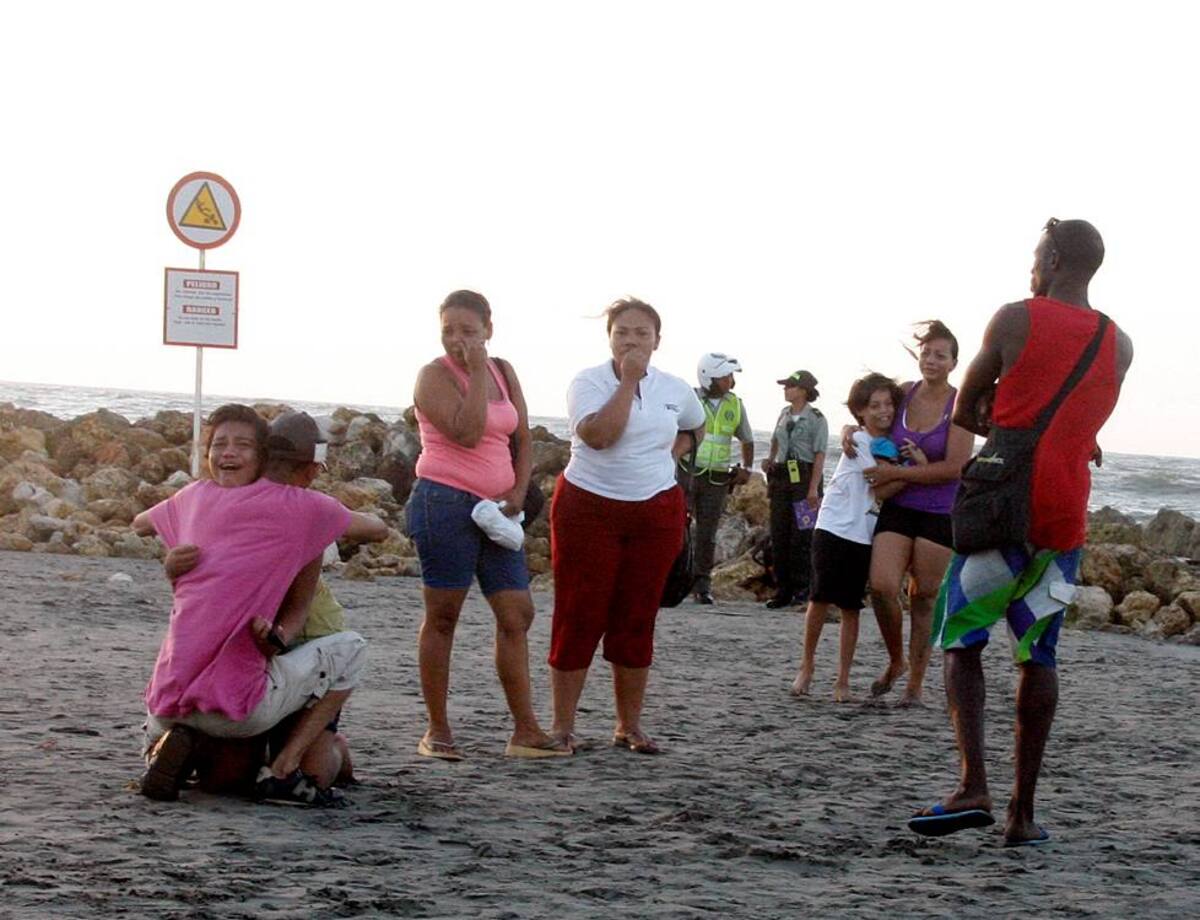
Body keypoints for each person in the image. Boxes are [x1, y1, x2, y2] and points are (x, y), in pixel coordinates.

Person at [909, 218, 1133, 846]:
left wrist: (1007, 426)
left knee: (963, 637)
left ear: (1054, 259)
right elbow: (1081, 426)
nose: (1032, 268)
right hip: (1063, 523)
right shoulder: (1119, 344)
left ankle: (971, 783)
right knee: (1039, 653)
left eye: (1037, 256)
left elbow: (966, 407)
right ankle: (1022, 814)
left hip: (1001, 515)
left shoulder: (1016, 318)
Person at [133, 404, 388, 806]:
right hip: (248, 694)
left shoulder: (195, 495)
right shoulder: (305, 511)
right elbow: (377, 528)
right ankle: (283, 771)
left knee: (224, 770)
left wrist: (177, 546)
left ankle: (157, 748)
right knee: (351, 654)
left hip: (167, 701)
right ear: (313, 469)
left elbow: (140, 523)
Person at [408, 289, 565, 760]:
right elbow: (467, 430)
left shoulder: (506, 370)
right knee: (443, 615)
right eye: (449, 331)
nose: (459, 340)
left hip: (497, 509)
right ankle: (437, 730)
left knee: (517, 613)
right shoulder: (433, 376)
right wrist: (474, 371)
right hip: (444, 502)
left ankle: (525, 730)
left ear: (488, 330)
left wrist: (518, 492)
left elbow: (522, 436)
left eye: (469, 331)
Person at [549, 297, 705, 754]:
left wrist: (670, 453)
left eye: (642, 333)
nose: (632, 341)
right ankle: (562, 726)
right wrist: (629, 381)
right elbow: (599, 436)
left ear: (658, 340)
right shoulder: (588, 381)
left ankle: (629, 726)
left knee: (637, 617)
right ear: (609, 337)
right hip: (588, 508)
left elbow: (696, 426)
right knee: (580, 613)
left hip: (654, 510)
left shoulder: (676, 388)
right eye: (622, 332)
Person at [854, 321, 973, 706]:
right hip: (899, 506)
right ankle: (896, 661)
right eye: (926, 352)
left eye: (940, 355)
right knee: (883, 586)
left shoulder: (961, 403)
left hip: (940, 510)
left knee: (924, 597)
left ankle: (915, 686)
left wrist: (899, 472)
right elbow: (870, 419)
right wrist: (846, 431)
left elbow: (955, 467)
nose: (931, 360)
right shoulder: (903, 393)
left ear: (954, 362)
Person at [791, 374, 909, 701]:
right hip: (832, 525)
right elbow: (879, 485)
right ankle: (807, 666)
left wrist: (907, 468)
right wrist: (916, 474)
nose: (883, 411)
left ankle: (842, 679)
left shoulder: (892, 444)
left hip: (865, 532)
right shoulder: (857, 440)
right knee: (818, 599)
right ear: (860, 411)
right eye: (875, 406)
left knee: (850, 606)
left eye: (888, 404)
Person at [676, 352, 755, 605]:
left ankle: (702, 586)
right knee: (676, 528)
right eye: (725, 377)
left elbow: (747, 439)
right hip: (687, 472)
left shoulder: (735, 404)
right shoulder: (689, 399)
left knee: (707, 534)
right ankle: (670, 580)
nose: (731, 381)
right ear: (709, 378)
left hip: (718, 478)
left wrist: (747, 468)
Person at [761, 370, 827, 608]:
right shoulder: (783, 414)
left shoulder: (817, 418)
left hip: (804, 476)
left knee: (803, 534)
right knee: (779, 532)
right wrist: (770, 460)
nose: (786, 389)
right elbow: (776, 441)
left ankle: (803, 588)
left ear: (803, 391)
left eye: (790, 386)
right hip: (782, 476)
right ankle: (783, 589)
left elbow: (820, 454)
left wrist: (813, 490)